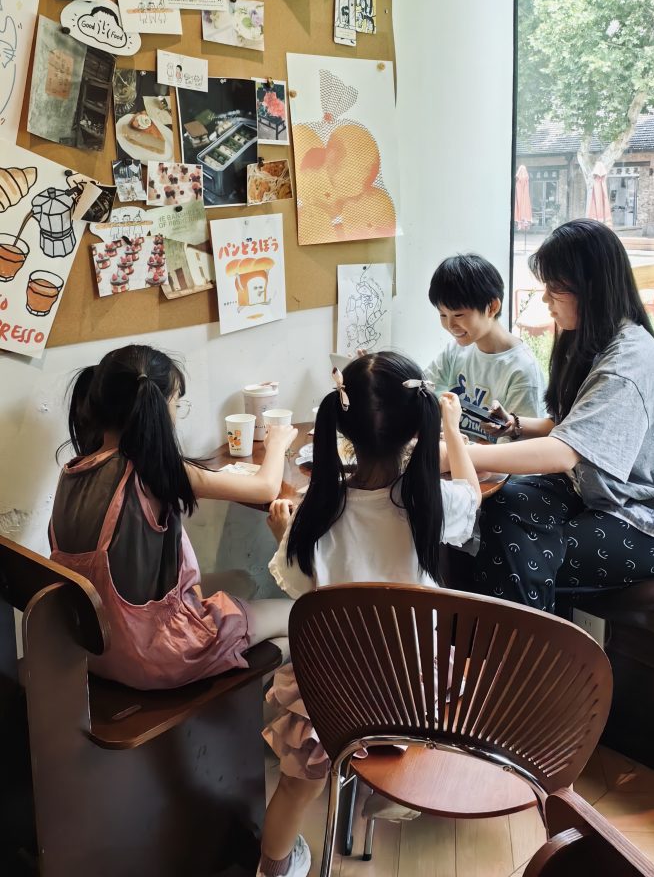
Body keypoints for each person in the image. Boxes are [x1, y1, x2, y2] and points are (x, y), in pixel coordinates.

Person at [256, 352, 480, 877]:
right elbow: (473, 495)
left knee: (295, 787)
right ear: (417, 428)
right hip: (411, 695)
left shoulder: (315, 513)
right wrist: (453, 431)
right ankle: (395, 783)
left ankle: (273, 867)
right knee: (455, 674)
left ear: (342, 429)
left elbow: (302, 589)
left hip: (331, 696)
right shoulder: (430, 505)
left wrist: (283, 535)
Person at [448, 220, 654, 612]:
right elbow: (573, 427)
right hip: (596, 490)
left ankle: (517, 650)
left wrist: (458, 453)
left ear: (591, 289)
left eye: (554, 289)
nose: (545, 299)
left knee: (510, 552)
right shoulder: (590, 338)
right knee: (492, 512)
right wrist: (516, 425)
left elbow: (563, 451)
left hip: (649, 516)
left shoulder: (627, 364)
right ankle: (510, 644)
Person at [50, 344, 298, 690]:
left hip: (98, 650)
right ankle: (261, 709)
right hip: (157, 656)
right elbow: (265, 487)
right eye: (176, 402)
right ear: (158, 405)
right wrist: (277, 443)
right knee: (299, 616)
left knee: (240, 580)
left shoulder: (72, 472)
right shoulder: (153, 471)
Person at [425, 253, 545, 441]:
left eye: (458, 315)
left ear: (492, 307)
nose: (450, 325)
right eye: (442, 315)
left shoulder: (522, 369)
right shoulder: (455, 351)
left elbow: (517, 451)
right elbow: (424, 391)